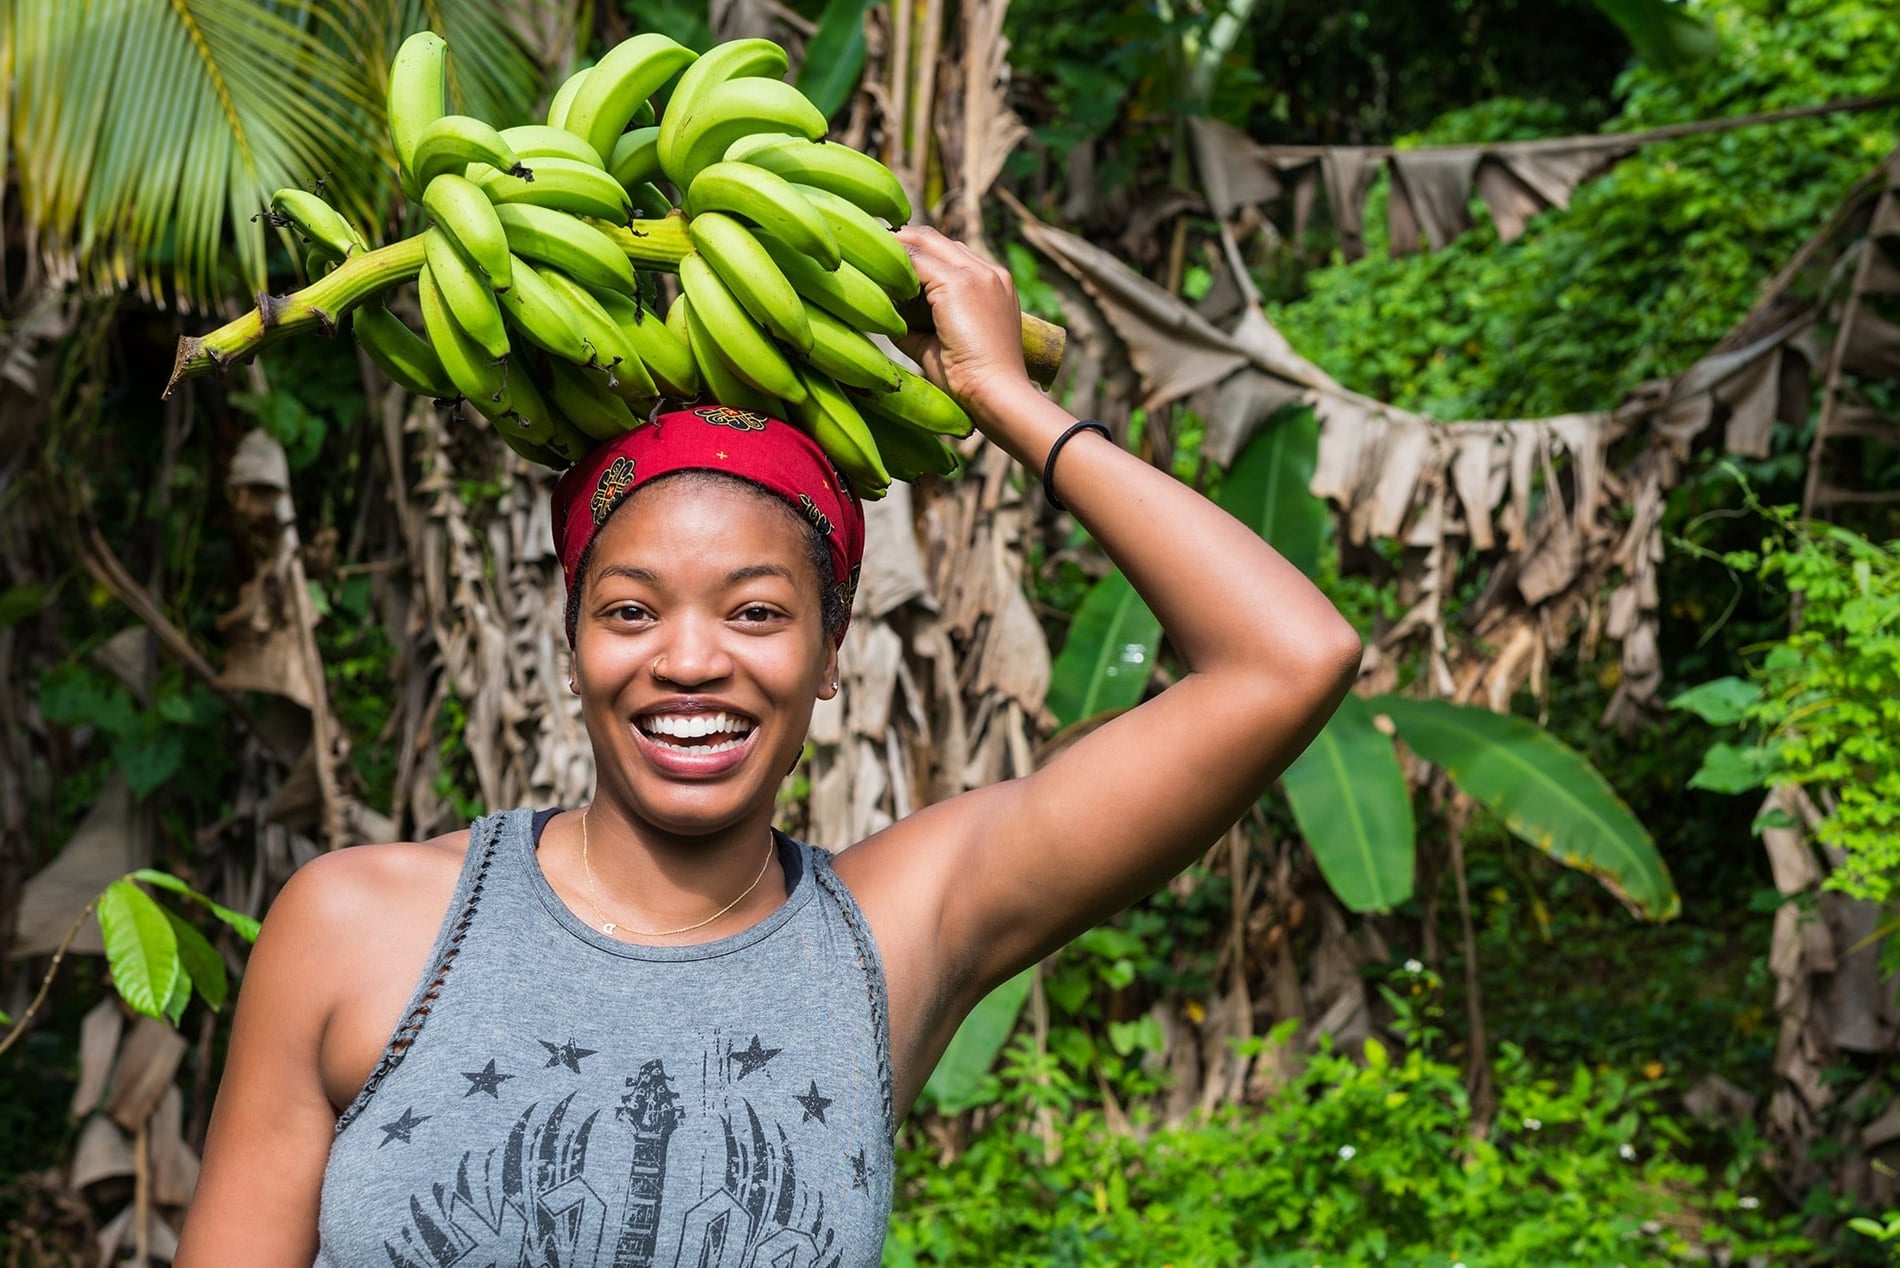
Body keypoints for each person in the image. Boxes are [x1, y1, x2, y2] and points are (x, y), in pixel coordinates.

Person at [175, 226, 1362, 1266]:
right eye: (631, 609)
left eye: (755, 611)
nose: (689, 660)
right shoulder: (358, 924)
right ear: (573, 641)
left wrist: (1011, 400)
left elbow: (1287, 659)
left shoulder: (893, 938)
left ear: (833, 648)